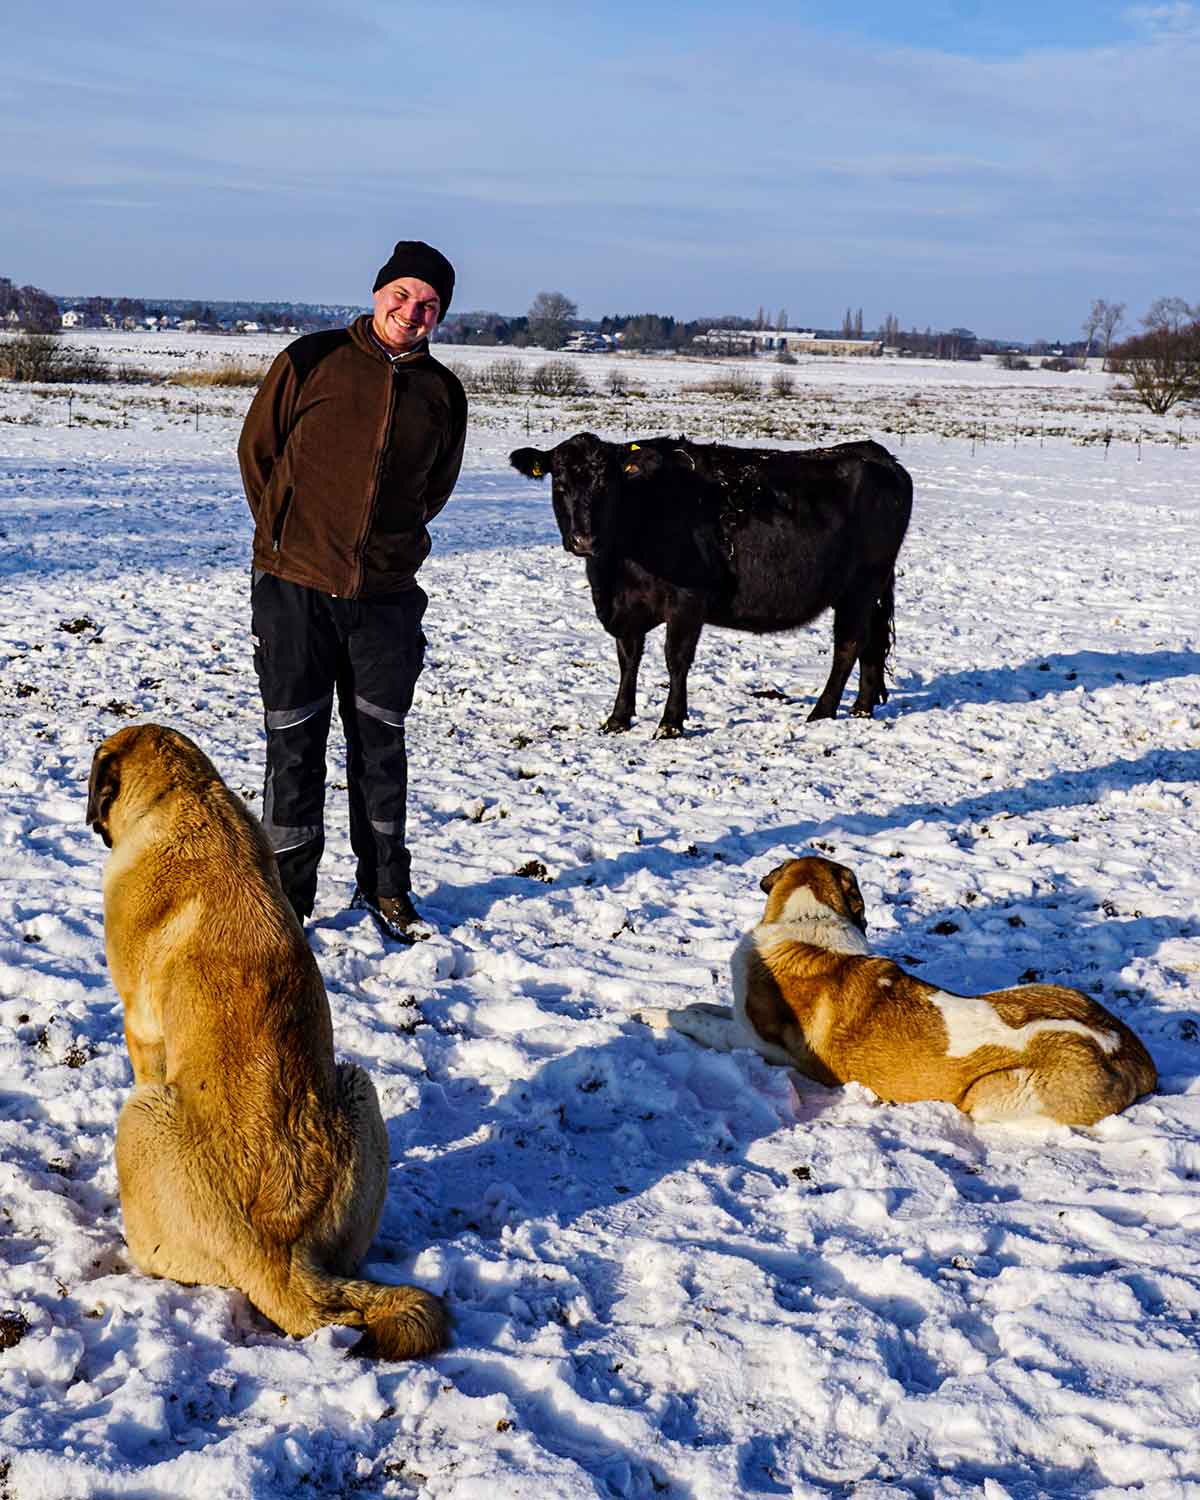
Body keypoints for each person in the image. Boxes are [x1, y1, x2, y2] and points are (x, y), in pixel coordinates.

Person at [238, 239, 467, 942]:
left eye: (429, 304)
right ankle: (288, 900)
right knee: (294, 746)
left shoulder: (442, 393)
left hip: (386, 600)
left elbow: (435, 489)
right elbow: (258, 453)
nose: (412, 311)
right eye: (402, 295)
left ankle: (386, 887)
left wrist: (388, 549)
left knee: (381, 749)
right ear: (377, 295)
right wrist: (286, 538)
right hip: (295, 589)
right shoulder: (311, 360)